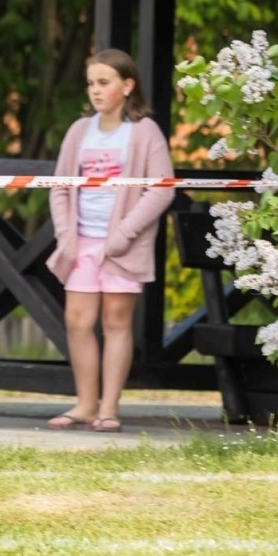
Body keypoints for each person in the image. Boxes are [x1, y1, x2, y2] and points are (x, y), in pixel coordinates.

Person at [45, 48, 175, 433]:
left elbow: (161, 189)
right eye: (91, 83)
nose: (95, 91)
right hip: (81, 242)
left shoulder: (144, 132)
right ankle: (85, 403)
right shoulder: (78, 131)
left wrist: (122, 235)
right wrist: (66, 236)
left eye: (104, 82)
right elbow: (60, 187)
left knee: (116, 322)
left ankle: (109, 407)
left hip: (122, 247)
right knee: (77, 320)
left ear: (127, 85)